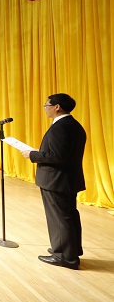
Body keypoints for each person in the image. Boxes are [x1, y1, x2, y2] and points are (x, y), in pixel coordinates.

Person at [20, 93, 87, 270]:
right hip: (66, 179)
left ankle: (64, 256)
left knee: (60, 218)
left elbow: (58, 157)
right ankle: (70, 251)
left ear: (57, 107)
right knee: (68, 216)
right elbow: (60, 153)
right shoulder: (73, 125)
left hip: (57, 180)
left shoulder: (60, 127)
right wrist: (40, 152)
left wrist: (33, 155)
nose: (45, 108)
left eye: (46, 105)